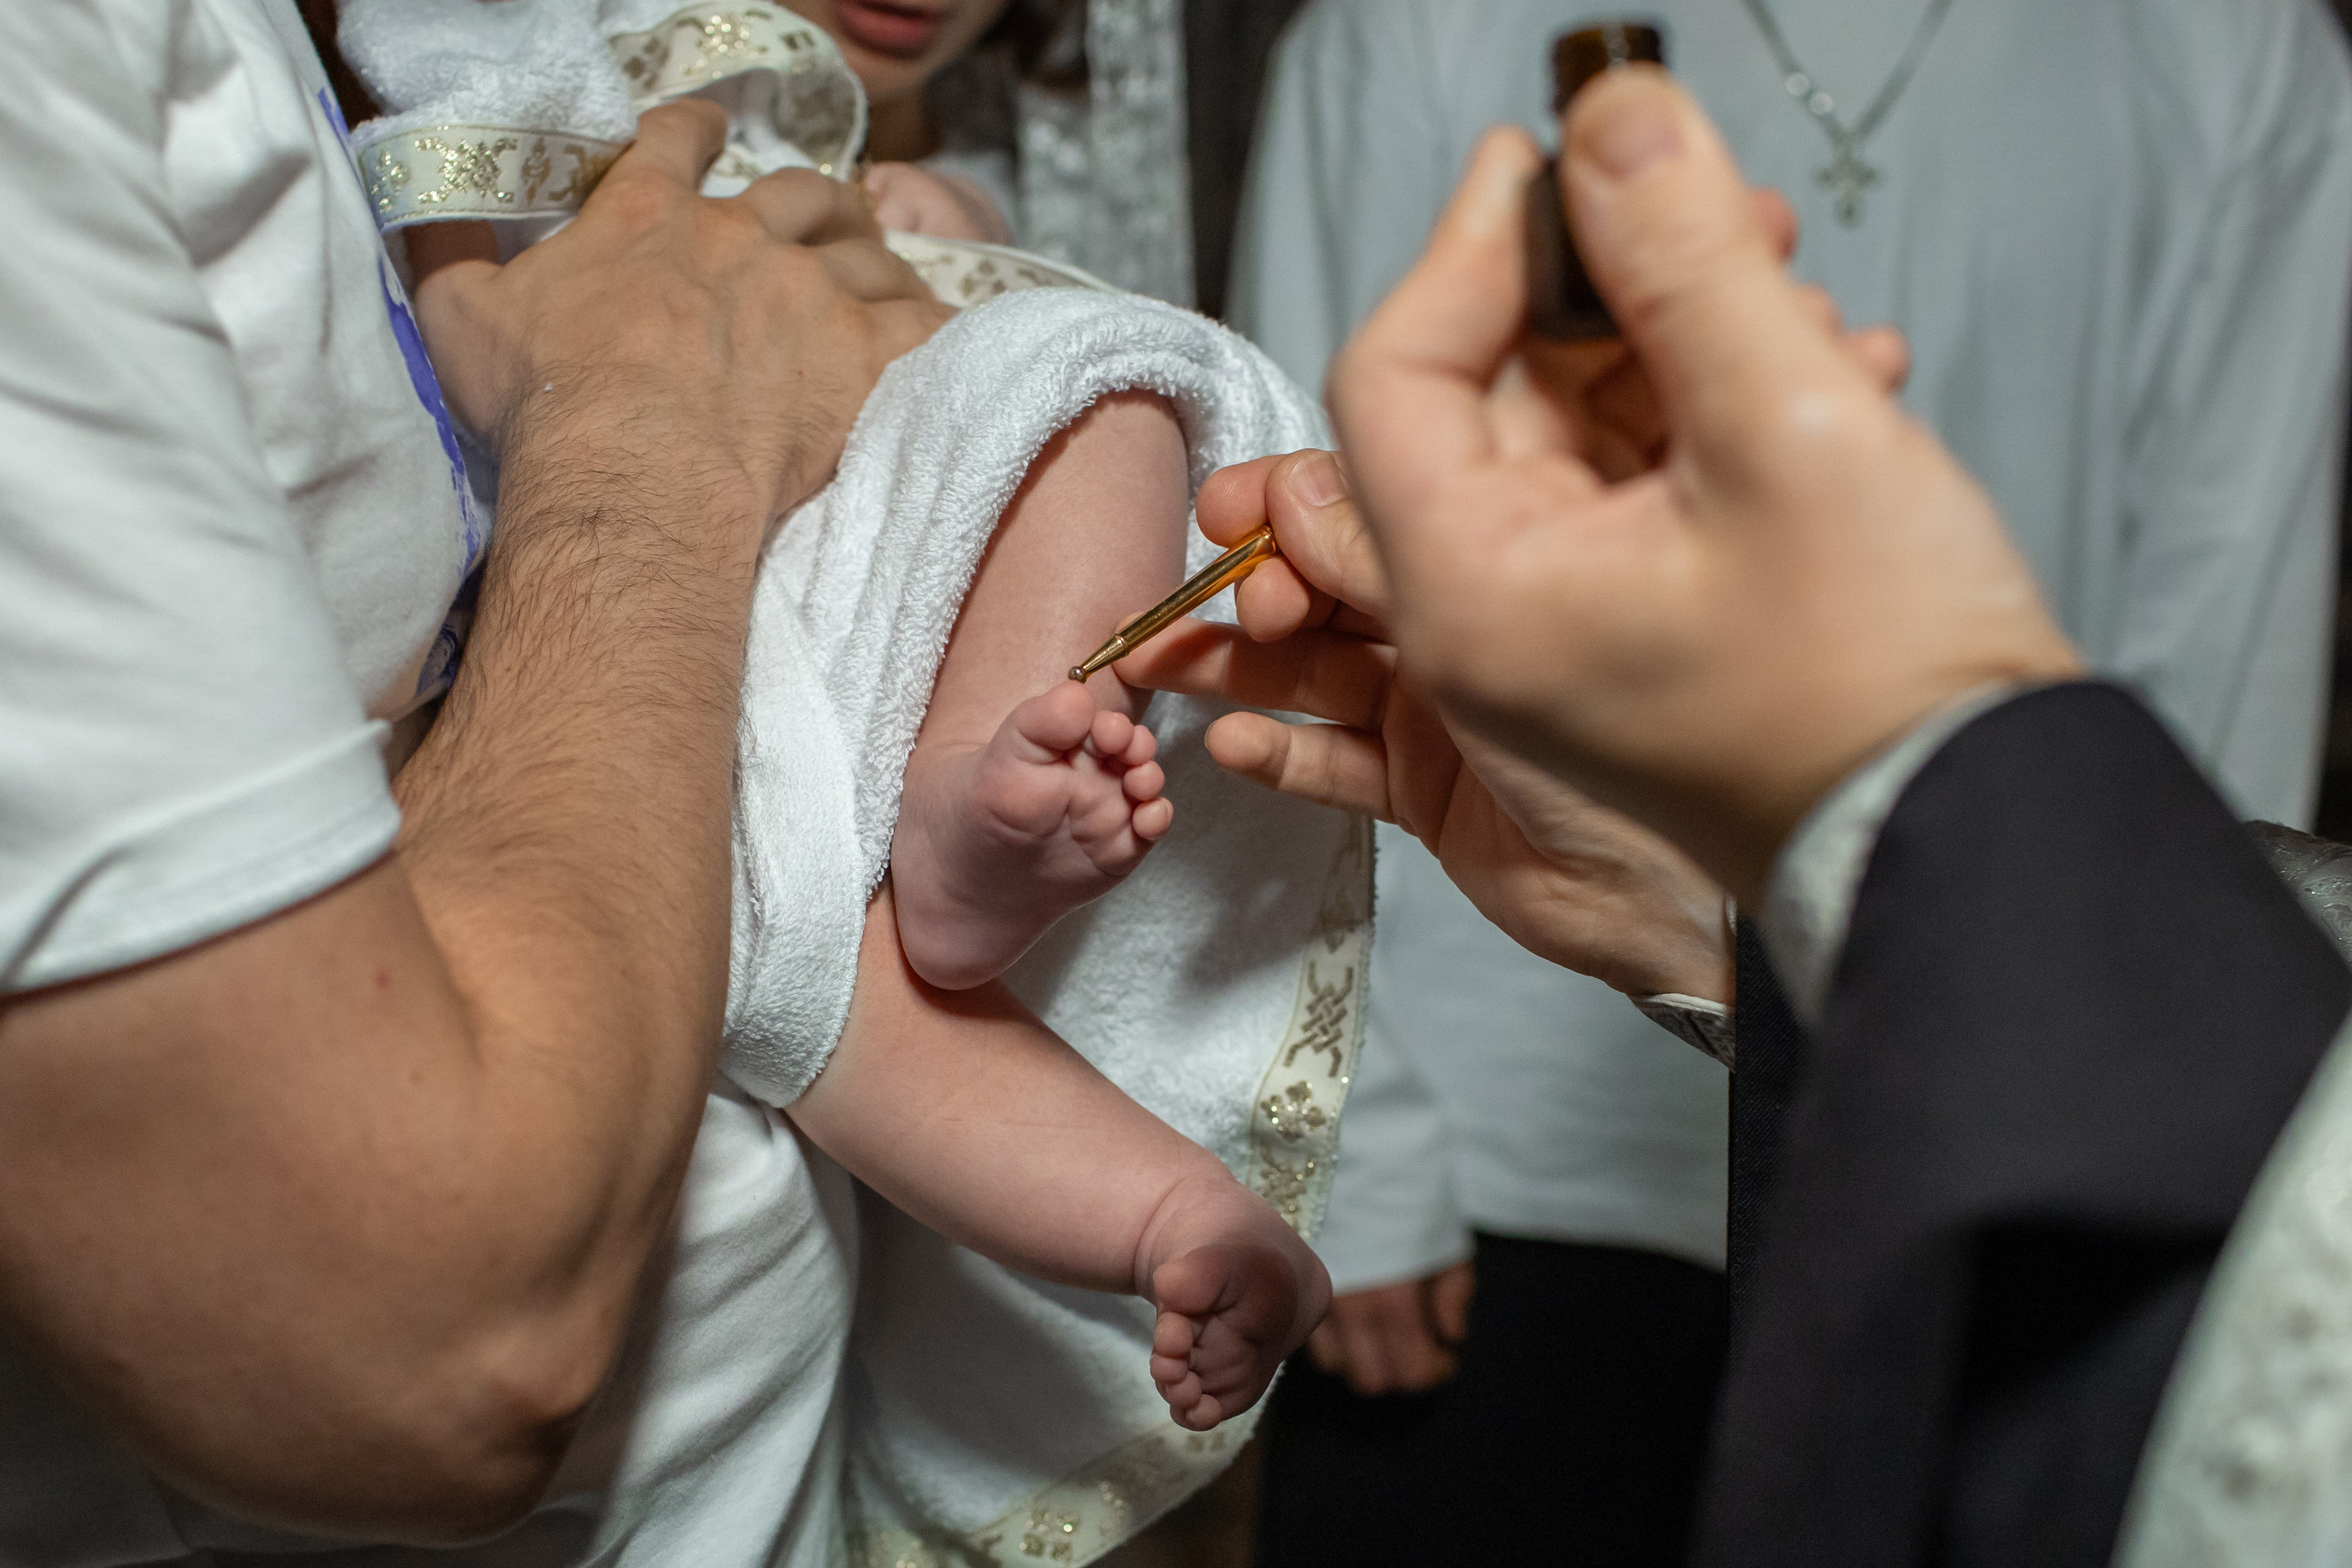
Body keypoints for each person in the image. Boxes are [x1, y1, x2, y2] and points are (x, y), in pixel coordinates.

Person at [1127, 63, 2352, 1565]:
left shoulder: (2243, 55)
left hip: (2058, 1190)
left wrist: (1894, 761)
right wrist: (1702, 916)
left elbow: (2236, 615)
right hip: (1685, 1091)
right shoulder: (1410, 38)